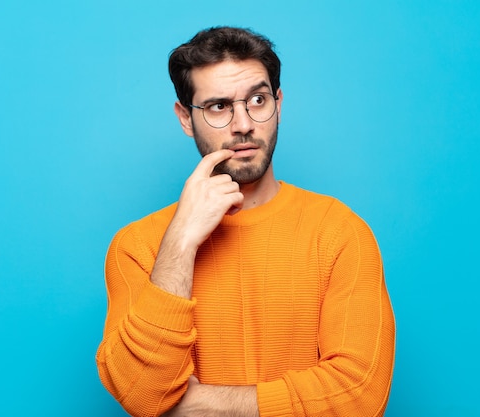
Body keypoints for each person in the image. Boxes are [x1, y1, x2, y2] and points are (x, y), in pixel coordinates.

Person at [96, 26, 395, 417]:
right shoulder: (137, 246)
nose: (243, 124)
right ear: (186, 118)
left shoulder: (339, 232)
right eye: (219, 106)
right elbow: (141, 393)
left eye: (257, 100)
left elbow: (359, 397)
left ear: (279, 103)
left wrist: (198, 406)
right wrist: (181, 240)